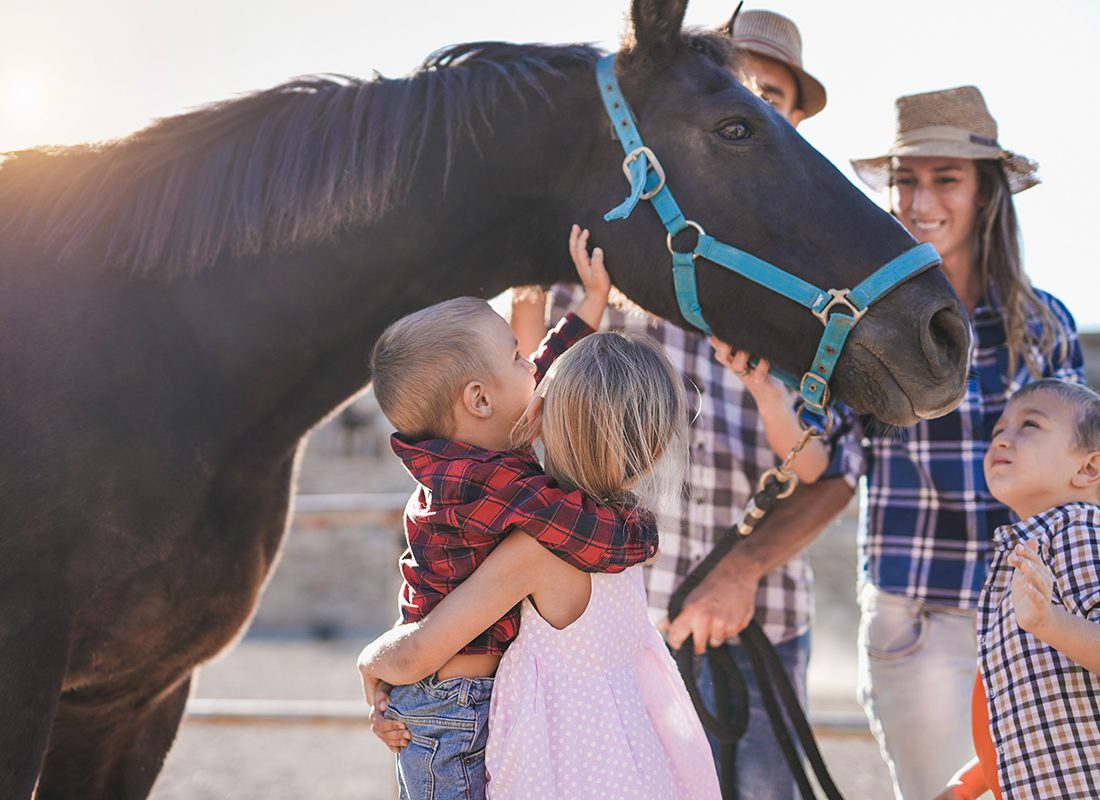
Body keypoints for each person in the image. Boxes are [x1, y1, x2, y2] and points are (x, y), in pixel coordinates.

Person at [513, 12, 856, 798]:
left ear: (792, 123)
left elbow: (831, 468)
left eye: (770, 97)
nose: (750, 108)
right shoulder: (613, 252)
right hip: (613, 620)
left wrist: (737, 573)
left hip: (752, 617)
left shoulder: (812, 277)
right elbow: (528, 397)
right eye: (736, 93)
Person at [360, 272, 722, 798]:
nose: (532, 365)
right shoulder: (494, 485)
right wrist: (370, 662)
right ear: (480, 401)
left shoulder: (489, 451)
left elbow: (548, 374)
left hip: (457, 693)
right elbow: (599, 535)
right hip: (449, 704)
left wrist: (590, 305)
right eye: (515, 358)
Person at [844, 85, 1085, 800]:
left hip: (1033, 613)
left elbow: (1076, 478)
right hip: (913, 614)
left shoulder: (1043, 326)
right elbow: (827, 453)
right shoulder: (862, 322)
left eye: (945, 179)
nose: (921, 202)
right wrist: (772, 384)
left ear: (985, 194)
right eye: (906, 180)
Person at [934, 379, 1100, 800]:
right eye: (998, 431)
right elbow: (1028, 712)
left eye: (1030, 426)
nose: (1003, 439)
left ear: (1088, 469)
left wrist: (1050, 622)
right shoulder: (1023, 551)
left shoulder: (1081, 533)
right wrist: (971, 783)